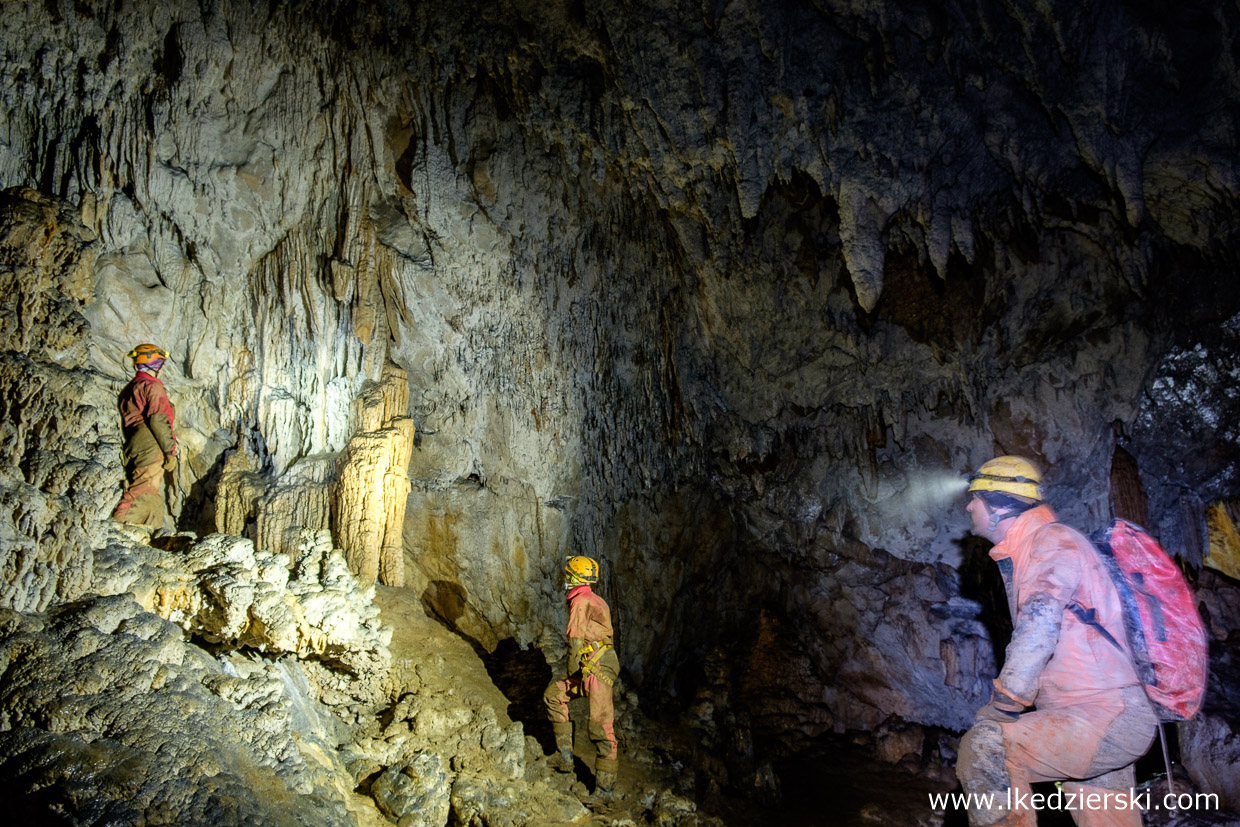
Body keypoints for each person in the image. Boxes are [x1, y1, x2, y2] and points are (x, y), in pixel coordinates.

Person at [956, 456, 1157, 827]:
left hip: (1103, 713)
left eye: (976, 498)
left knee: (987, 748)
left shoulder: (1050, 541)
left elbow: (1041, 620)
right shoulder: (1037, 546)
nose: (968, 506)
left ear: (1001, 505)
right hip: (1096, 713)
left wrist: (1007, 701)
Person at [543, 555, 620, 808]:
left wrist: (572, 672)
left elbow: (575, 641)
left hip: (596, 667)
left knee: (600, 726)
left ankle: (605, 791)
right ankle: (564, 757)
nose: (565, 578)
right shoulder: (594, 598)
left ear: (575, 578)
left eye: (568, 574)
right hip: (593, 664)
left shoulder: (581, 601)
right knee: (554, 694)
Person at [111, 344, 178, 528]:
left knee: (149, 491)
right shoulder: (152, 387)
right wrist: (170, 451)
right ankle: (116, 528)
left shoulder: (130, 388)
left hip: (135, 442)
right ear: (155, 365)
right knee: (142, 490)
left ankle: (147, 530)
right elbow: (158, 420)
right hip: (152, 444)